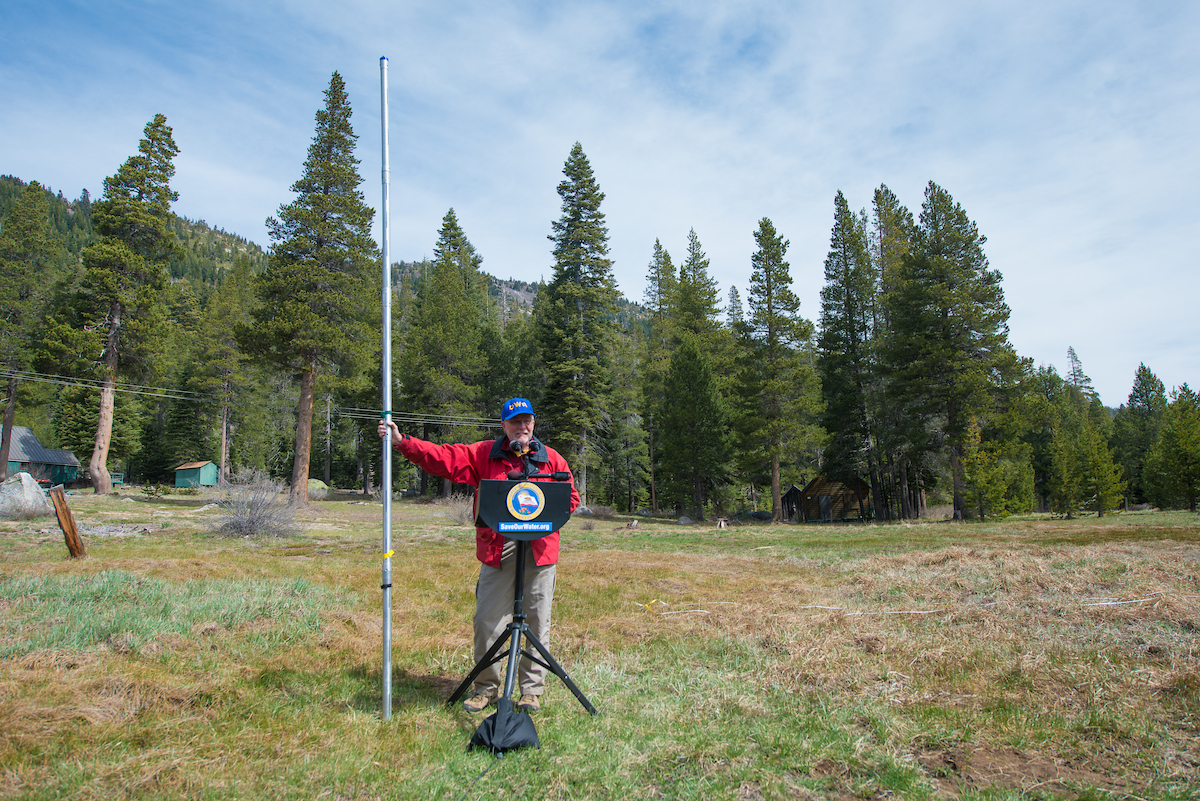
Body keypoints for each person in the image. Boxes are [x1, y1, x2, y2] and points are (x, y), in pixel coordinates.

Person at [377, 397, 580, 714]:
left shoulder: (551, 459)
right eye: (514, 422)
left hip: (540, 550)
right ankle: (486, 689)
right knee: (487, 622)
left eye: (526, 421)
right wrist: (403, 442)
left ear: (533, 424)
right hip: (499, 547)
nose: (521, 427)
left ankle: (531, 691)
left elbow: (571, 497)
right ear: (504, 426)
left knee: (537, 623)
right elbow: (442, 458)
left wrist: (541, 521)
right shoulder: (484, 454)